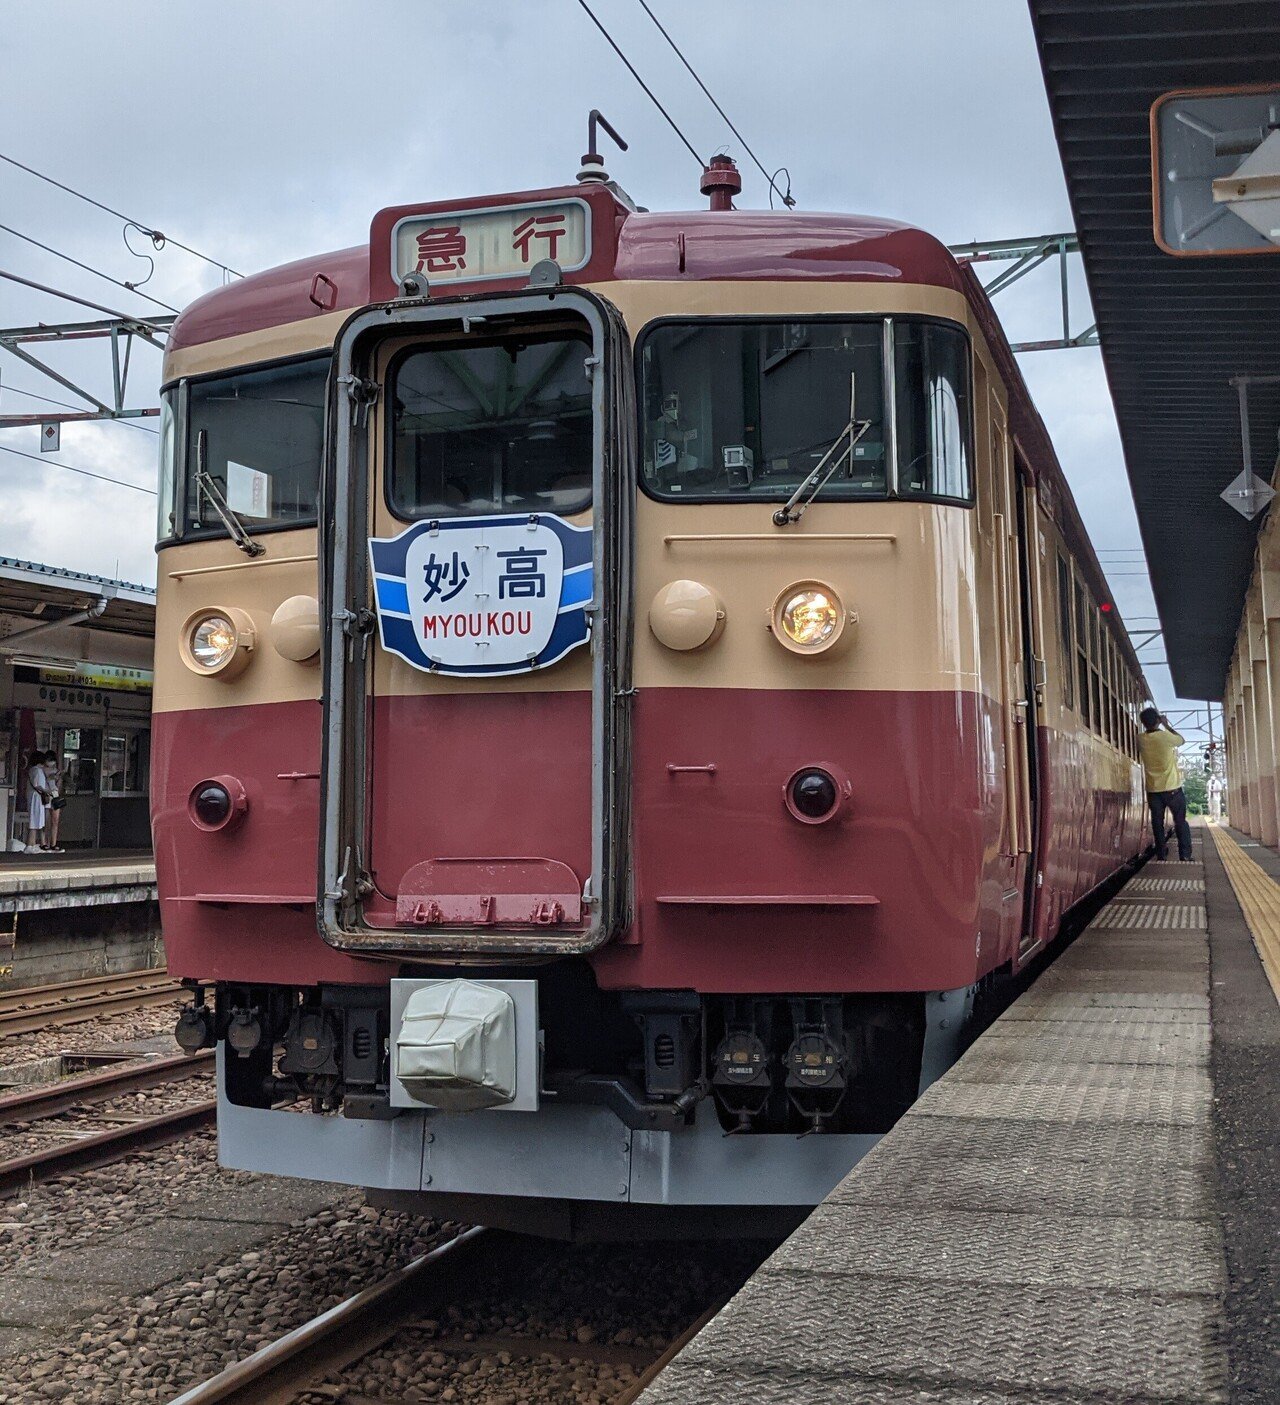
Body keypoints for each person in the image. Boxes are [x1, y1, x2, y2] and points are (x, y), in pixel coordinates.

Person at [1138, 707, 1193, 861]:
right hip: (1172, 789)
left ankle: (1161, 854)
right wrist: (1166, 725)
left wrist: (1157, 723)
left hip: (1153, 790)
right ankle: (1185, 855)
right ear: (1157, 720)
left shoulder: (1140, 739)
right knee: (1180, 821)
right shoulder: (1165, 737)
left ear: (1143, 723)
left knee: (1157, 824)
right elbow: (1181, 740)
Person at [26, 750, 51, 853]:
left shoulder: (32, 770)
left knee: (35, 820)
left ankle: (32, 844)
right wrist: (47, 791)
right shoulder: (37, 771)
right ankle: (30, 845)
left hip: (34, 797)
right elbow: (38, 785)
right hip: (37, 797)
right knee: (35, 820)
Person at [43, 752, 64, 853]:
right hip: (46, 795)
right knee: (46, 821)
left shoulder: (56, 771)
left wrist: (58, 778)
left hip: (55, 795)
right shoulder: (41, 770)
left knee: (55, 821)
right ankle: (45, 843)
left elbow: (59, 786)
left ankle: (53, 843)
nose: (50, 762)